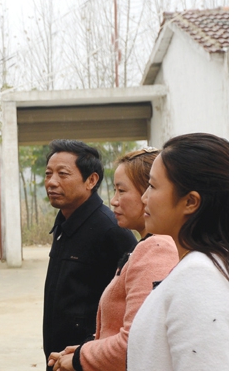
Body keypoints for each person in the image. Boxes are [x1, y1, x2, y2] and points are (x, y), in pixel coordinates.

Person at [47, 148, 178, 371]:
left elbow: (134, 341)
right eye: (48, 173)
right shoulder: (146, 245)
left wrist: (81, 357)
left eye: (122, 191)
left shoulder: (155, 248)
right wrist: (84, 350)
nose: (114, 201)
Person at [127, 133, 229, 370]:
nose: (144, 197)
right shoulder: (202, 266)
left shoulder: (199, 278)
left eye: (152, 186)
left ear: (191, 202)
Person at [42, 139, 137, 371]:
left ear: (91, 180)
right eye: (48, 174)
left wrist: (90, 354)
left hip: (88, 360)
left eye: (62, 174)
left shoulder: (111, 230)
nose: (51, 182)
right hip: (58, 357)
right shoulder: (64, 223)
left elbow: (131, 307)